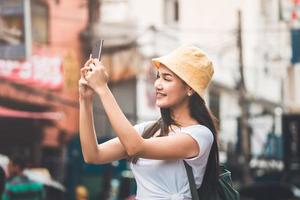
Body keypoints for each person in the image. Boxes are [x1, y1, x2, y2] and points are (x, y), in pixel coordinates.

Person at [79, 45, 220, 199]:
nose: (157, 84)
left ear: (190, 88)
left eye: (167, 78)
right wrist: (85, 99)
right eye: (158, 76)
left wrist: (103, 89)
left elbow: (135, 147)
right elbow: (93, 155)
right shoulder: (149, 130)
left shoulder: (199, 135)